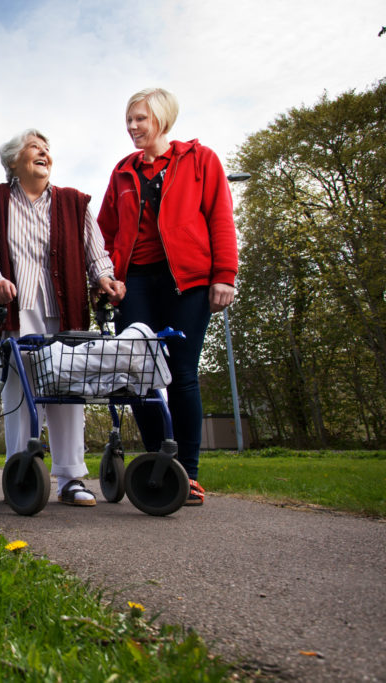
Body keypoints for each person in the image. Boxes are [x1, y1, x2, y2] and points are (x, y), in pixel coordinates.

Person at [0, 129, 125, 507]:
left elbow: (96, 255)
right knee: (19, 391)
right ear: (12, 163)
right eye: (34, 148)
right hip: (16, 311)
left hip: (65, 309)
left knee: (68, 391)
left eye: (46, 149)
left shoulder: (74, 202)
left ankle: (70, 479)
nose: (43, 154)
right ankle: (23, 472)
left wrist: (105, 278)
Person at [97, 88, 238, 506]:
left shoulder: (200, 160)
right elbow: (103, 233)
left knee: (182, 373)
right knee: (138, 375)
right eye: (129, 120)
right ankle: (160, 462)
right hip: (135, 281)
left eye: (140, 118)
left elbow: (220, 217)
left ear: (161, 118)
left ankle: (187, 474)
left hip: (188, 281)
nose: (133, 127)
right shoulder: (122, 172)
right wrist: (104, 277)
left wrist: (224, 274)